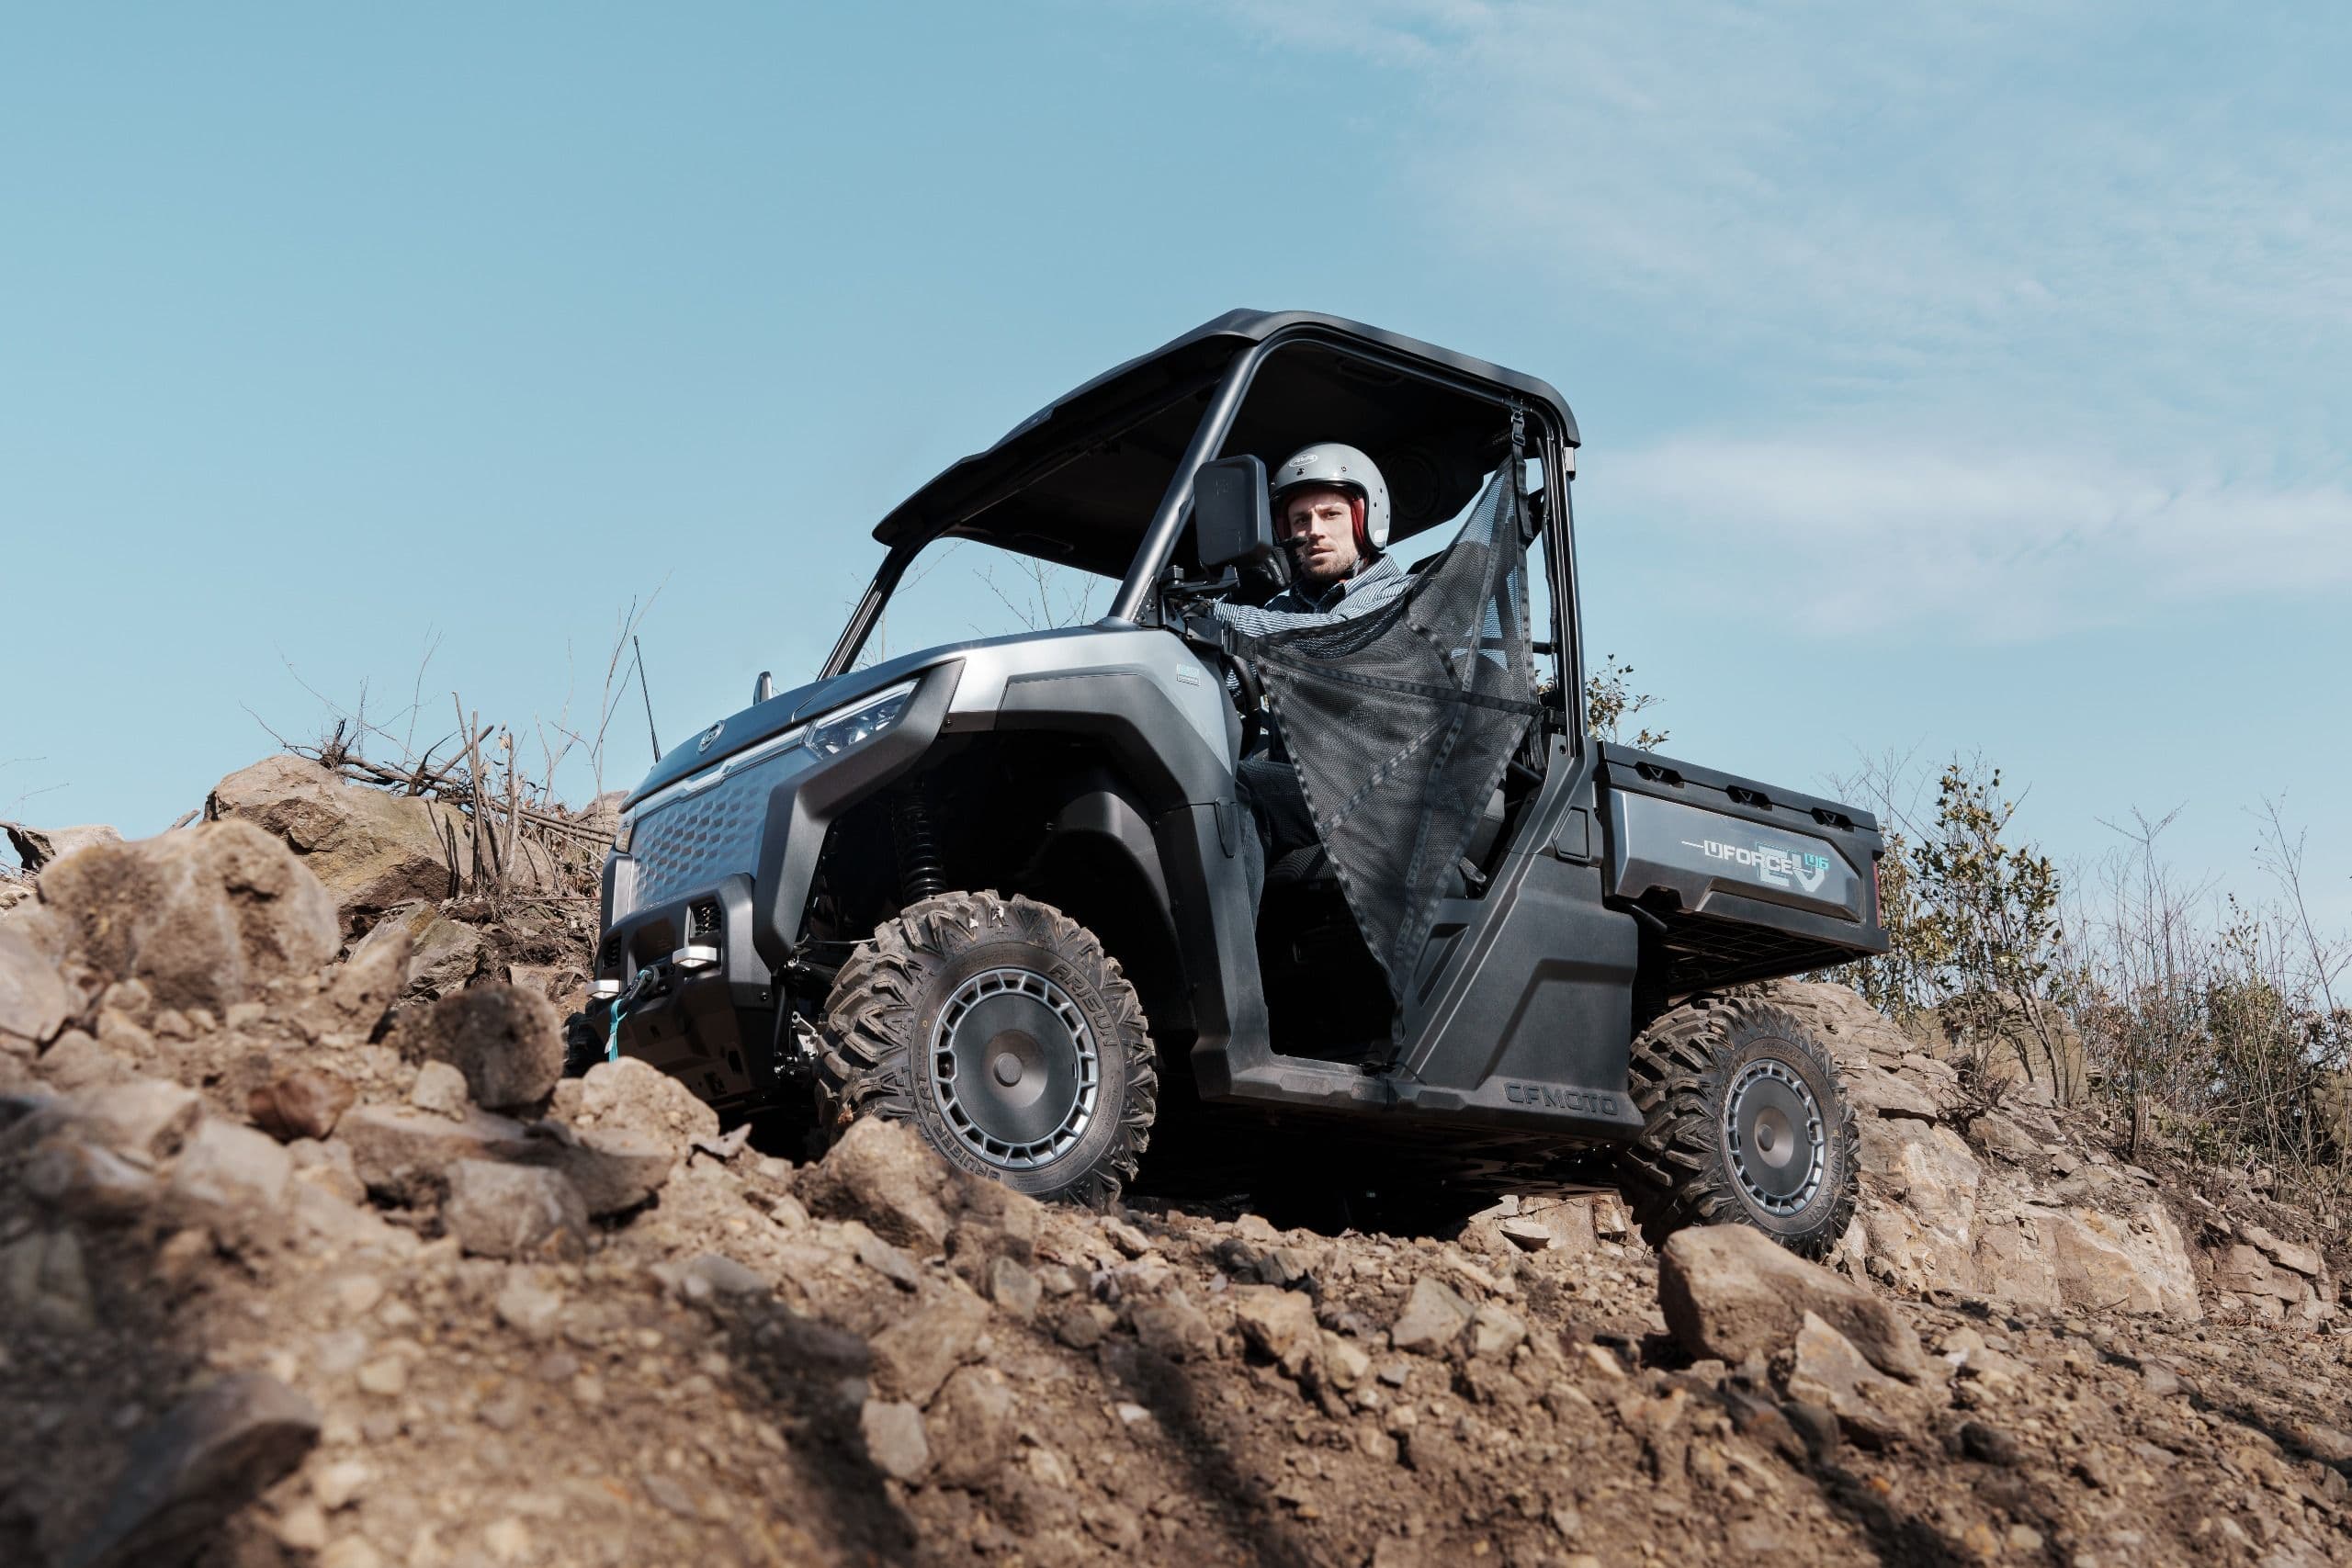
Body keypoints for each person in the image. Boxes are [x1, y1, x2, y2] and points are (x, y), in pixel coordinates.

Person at [1211, 443, 1408, 912]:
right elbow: (1236, 680)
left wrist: (1209, 619)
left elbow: (1327, 639)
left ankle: (1232, 973)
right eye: (1300, 521)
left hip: (1377, 793)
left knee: (1239, 787)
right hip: (1305, 793)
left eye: (1330, 515)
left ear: (1364, 519)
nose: (1313, 531)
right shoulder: (1279, 613)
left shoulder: (1398, 598)